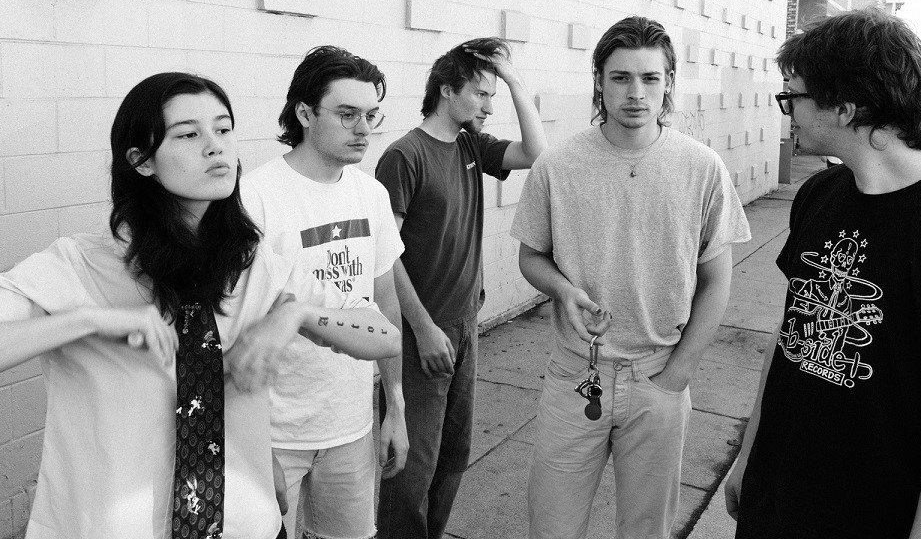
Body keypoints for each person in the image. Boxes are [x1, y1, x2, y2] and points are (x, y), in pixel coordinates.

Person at [0, 72, 400, 539]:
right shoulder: (79, 266)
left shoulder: (252, 266)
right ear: (142, 161)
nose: (216, 147)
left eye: (223, 129)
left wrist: (299, 314)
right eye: (189, 134)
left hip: (246, 524)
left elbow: (386, 338)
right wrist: (85, 320)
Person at [511, 16, 751, 539]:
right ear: (598, 80)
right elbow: (532, 256)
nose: (636, 93)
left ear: (668, 83)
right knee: (551, 528)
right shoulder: (558, 164)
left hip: (658, 375)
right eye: (621, 78)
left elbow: (716, 280)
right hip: (576, 374)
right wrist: (563, 289)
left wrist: (678, 373)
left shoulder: (702, 168)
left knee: (647, 532)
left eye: (650, 78)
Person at [724, 8, 921, 539]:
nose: (788, 110)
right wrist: (749, 454)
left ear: (847, 107)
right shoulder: (819, 195)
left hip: (877, 512)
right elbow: (790, 337)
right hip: (778, 496)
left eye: (795, 98)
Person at [374, 37, 547, 539]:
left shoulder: (472, 145)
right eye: (481, 94)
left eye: (494, 96)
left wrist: (513, 81)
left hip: (463, 326)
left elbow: (535, 153)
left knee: (454, 456)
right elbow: (386, 257)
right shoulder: (404, 156)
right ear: (447, 90)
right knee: (411, 466)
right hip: (417, 332)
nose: (489, 107)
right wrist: (423, 328)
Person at [241, 46, 406, 539]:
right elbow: (227, 325)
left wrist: (394, 405)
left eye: (371, 115)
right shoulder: (254, 197)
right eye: (347, 114)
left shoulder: (370, 194)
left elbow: (386, 304)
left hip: (349, 424)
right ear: (306, 113)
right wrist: (249, 443)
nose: (364, 129)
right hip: (273, 432)